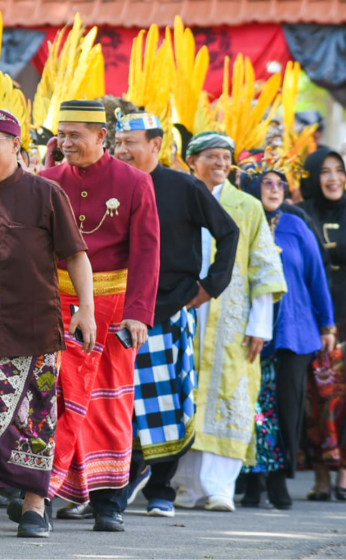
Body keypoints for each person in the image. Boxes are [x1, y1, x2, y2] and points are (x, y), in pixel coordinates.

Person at [0, 108, 95, 538]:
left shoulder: (45, 193)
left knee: (37, 415)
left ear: (15, 145)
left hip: (36, 325)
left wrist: (87, 310)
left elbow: (75, 255)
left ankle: (36, 505)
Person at [112, 110, 239, 518]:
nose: (122, 151)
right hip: (115, 309)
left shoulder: (185, 187)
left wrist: (209, 287)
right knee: (118, 403)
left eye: (130, 143)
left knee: (164, 402)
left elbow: (228, 232)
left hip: (168, 308)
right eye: (118, 144)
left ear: (156, 144)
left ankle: (161, 488)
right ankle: (114, 483)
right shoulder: (111, 183)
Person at [41, 100, 161, 532]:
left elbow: (148, 253)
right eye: (63, 134)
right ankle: (43, 496)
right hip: (54, 306)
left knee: (110, 403)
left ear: (100, 137)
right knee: (51, 400)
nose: (67, 142)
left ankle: (109, 502)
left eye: (76, 135)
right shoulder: (47, 180)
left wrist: (139, 315)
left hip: (113, 310)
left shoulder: (134, 182)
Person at [172, 133, 287, 512]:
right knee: (182, 392)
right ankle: (185, 486)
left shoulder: (247, 206)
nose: (221, 163)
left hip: (232, 318)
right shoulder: (178, 196)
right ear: (192, 161)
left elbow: (265, 268)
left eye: (226, 157)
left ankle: (220, 487)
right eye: (212, 156)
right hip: (184, 309)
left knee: (230, 393)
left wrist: (261, 325)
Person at [239, 162, 335, 509]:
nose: (275, 189)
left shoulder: (296, 225)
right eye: (267, 183)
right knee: (251, 406)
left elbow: (316, 276)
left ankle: (279, 481)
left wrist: (328, 324)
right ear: (253, 187)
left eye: (281, 183)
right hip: (248, 332)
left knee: (286, 407)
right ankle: (251, 481)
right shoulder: (242, 220)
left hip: (293, 332)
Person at [300, 149, 346, 502]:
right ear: (312, 176)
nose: (332, 178)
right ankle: (322, 474)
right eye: (324, 172)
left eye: (338, 171)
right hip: (313, 320)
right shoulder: (300, 214)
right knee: (318, 399)